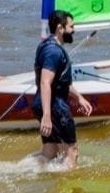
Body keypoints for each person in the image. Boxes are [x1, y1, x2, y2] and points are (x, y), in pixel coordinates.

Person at [32, 10, 93, 168]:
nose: (74, 30)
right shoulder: (54, 52)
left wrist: (79, 97)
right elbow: (45, 82)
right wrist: (47, 116)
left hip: (41, 103)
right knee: (72, 152)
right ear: (60, 28)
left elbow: (60, 81)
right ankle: (69, 181)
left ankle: (25, 170)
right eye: (71, 26)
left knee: (51, 150)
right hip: (55, 107)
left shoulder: (45, 45)